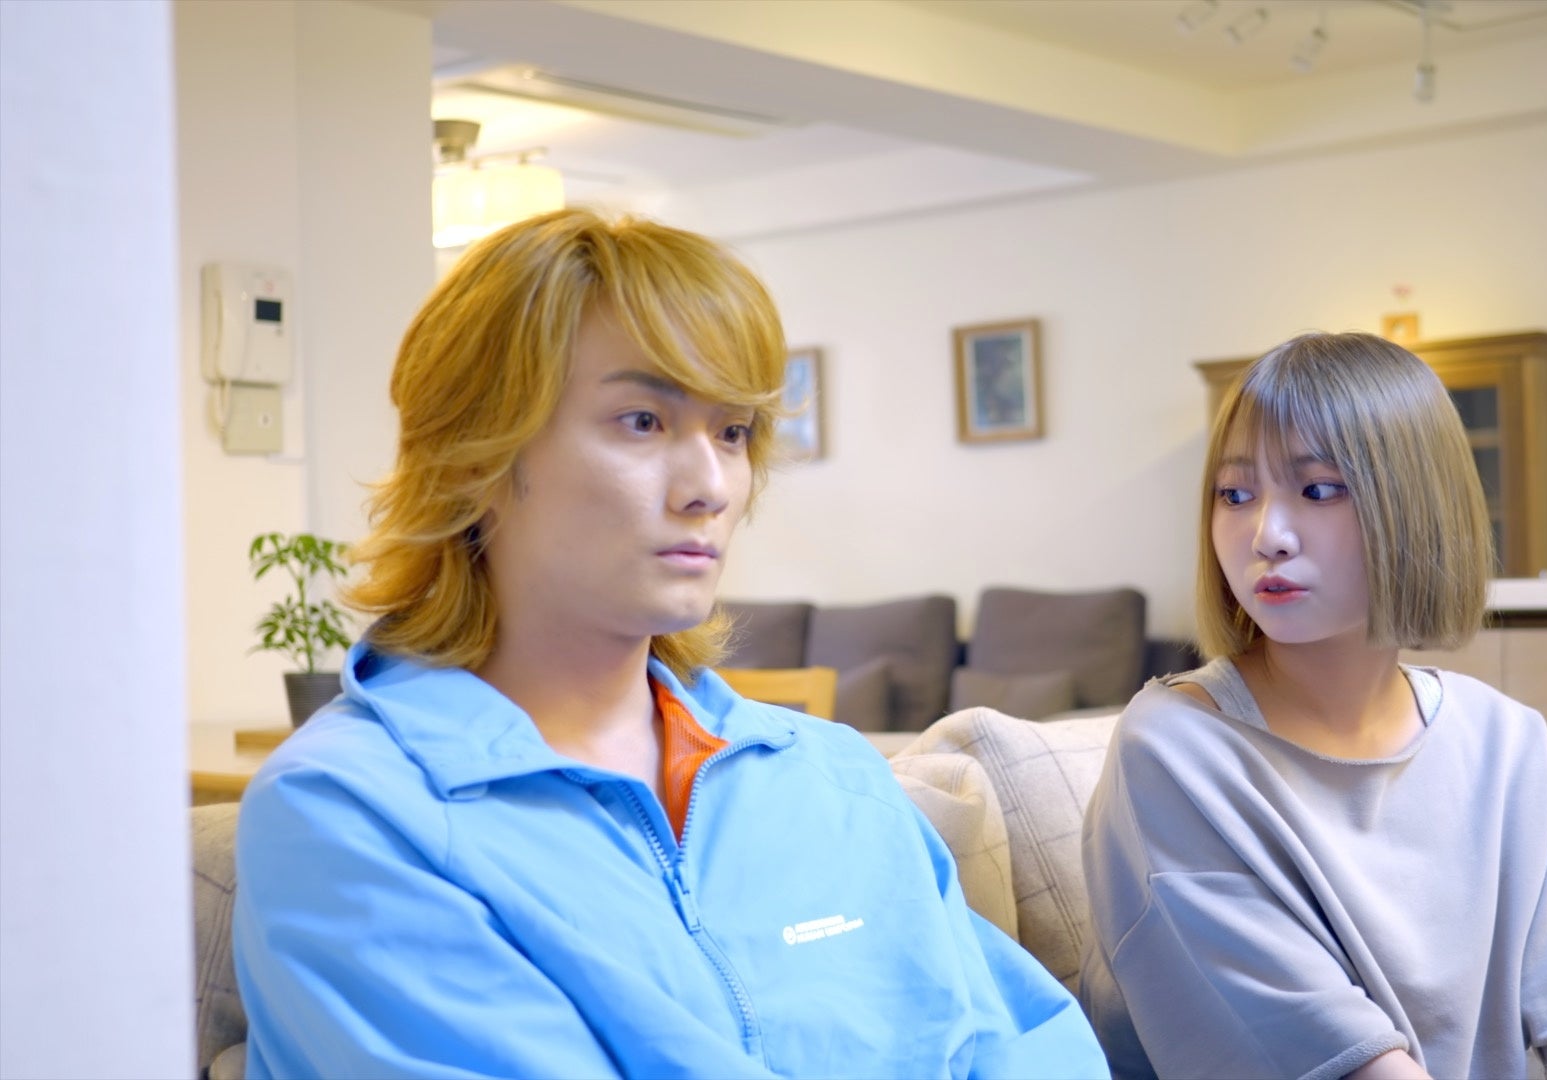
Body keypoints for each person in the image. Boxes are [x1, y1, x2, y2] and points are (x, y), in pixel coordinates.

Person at [232, 209, 1106, 1079]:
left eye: (732, 432)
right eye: (642, 420)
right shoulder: (350, 811)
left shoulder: (832, 777)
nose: (710, 487)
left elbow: (1032, 1049)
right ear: (474, 456)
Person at [1078, 332, 1547, 1080]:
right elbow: (1342, 1062)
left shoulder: (1502, 742)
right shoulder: (1175, 749)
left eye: (1318, 490)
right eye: (1235, 495)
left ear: (1414, 508)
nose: (1267, 536)